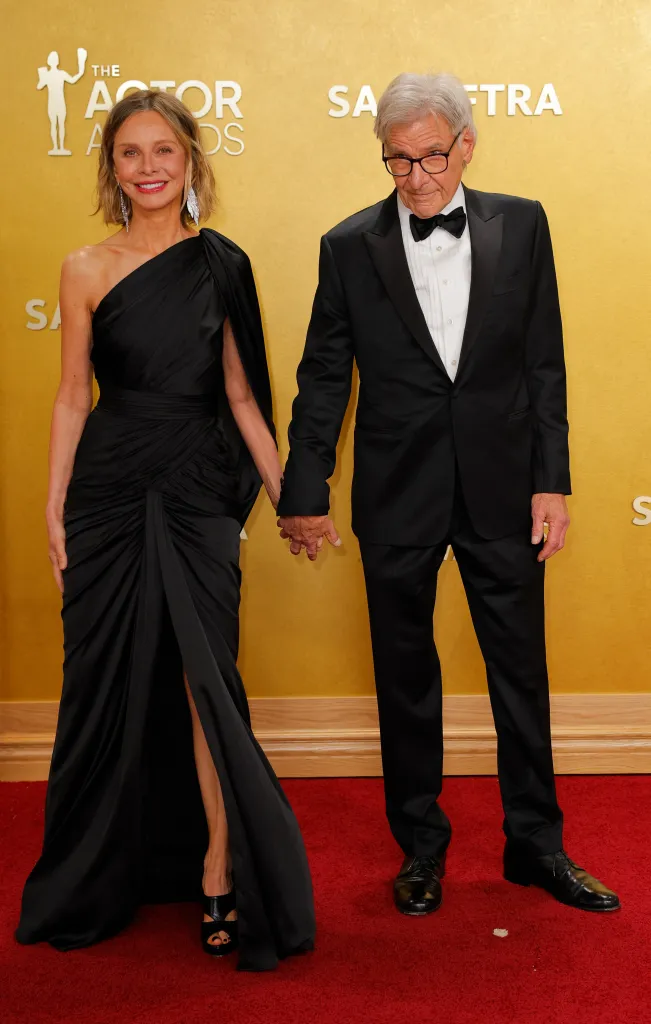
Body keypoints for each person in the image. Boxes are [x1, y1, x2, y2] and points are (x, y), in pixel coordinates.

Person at [277, 72, 619, 916]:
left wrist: (551, 481)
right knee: (404, 678)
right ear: (383, 158)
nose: (418, 177)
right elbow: (324, 377)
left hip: (505, 489)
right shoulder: (348, 246)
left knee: (519, 672)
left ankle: (536, 846)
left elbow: (545, 361)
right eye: (398, 161)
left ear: (467, 144)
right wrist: (305, 485)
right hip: (396, 491)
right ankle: (420, 851)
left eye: (432, 155)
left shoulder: (522, 222)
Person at [16, 89, 315, 969]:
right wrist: (52, 500)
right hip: (107, 488)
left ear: (190, 160)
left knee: (204, 680)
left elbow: (240, 397)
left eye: (164, 152)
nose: (148, 168)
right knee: (103, 677)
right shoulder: (84, 266)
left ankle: (220, 866)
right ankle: (97, 874)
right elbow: (75, 392)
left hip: (195, 487)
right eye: (130, 154)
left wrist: (288, 495)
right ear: (111, 167)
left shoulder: (221, 263)